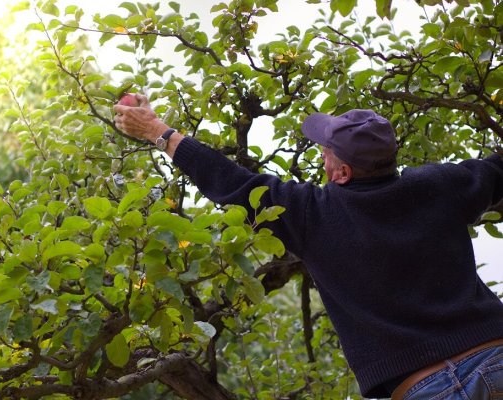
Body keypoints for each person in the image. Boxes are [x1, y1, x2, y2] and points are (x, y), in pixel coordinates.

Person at [113, 94, 503, 400]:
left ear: (343, 172)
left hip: (425, 389)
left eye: (326, 151)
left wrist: (158, 132)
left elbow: (230, 181)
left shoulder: (313, 214)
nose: (320, 154)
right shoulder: (440, 185)